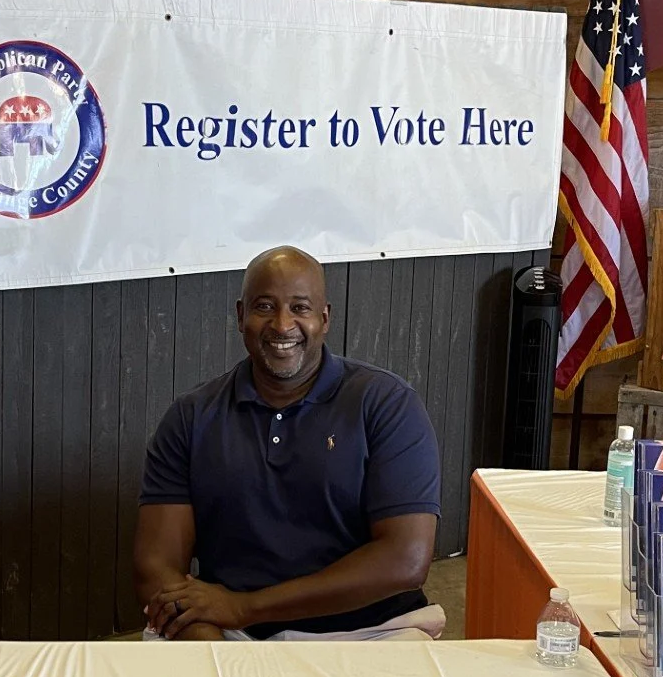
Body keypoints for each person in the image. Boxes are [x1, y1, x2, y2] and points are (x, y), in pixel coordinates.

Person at [135, 246, 445, 641]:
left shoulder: (386, 403)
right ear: (240, 315)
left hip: (374, 630)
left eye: (300, 308)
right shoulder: (190, 417)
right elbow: (155, 567)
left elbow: (406, 561)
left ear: (324, 318)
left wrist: (246, 606)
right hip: (232, 632)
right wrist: (205, 637)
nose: (282, 325)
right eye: (264, 306)